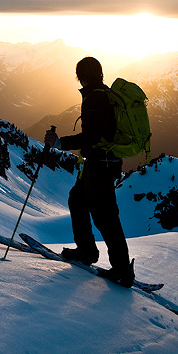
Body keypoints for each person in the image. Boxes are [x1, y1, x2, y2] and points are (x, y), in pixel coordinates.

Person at [44, 57, 135, 287]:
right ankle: (86, 251)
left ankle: (122, 269)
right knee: (78, 200)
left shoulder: (94, 98)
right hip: (102, 163)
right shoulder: (102, 93)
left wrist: (59, 143)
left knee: (105, 216)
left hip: (100, 165)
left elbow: (92, 136)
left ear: (81, 76)